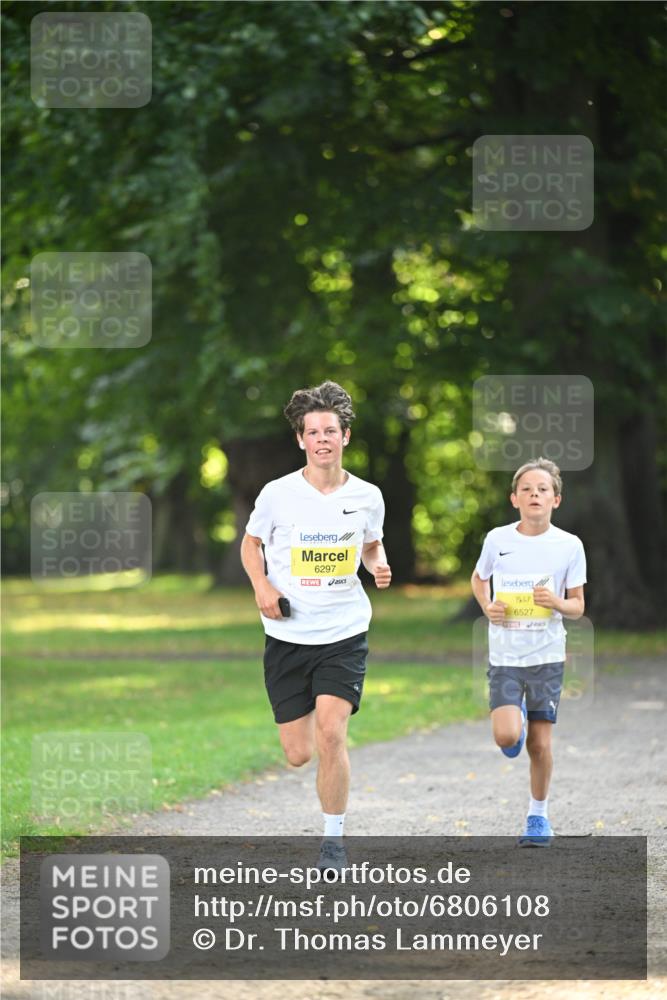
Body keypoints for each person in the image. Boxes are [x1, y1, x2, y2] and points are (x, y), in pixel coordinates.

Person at [240, 380, 391, 873]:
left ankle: (333, 841)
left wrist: (378, 565)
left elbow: (371, 544)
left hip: (344, 632)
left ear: (345, 436)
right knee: (299, 754)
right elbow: (251, 545)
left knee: (331, 733)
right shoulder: (278, 494)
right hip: (287, 635)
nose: (322, 439)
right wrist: (262, 586)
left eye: (330, 430)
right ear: (300, 439)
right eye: (313, 432)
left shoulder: (367, 495)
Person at [470, 457, 586, 846]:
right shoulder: (497, 540)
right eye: (527, 489)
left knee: (540, 743)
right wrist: (488, 606)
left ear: (556, 499)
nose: (535, 494)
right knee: (506, 737)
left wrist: (556, 602)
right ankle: (514, 723)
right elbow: (479, 579)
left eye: (542, 489)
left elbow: (577, 606)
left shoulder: (569, 545)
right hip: (506, 656)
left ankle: (538, 817)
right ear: (514, 498)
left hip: (547, 656)